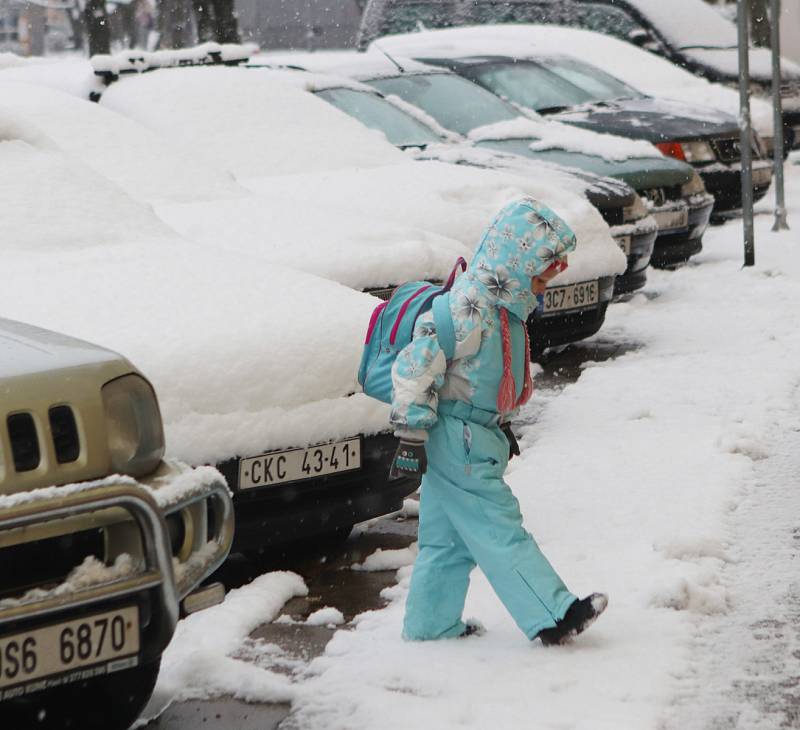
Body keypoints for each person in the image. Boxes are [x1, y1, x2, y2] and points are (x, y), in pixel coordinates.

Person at [388, 197, 607, 645]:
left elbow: (476, 378)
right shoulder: (468, 309)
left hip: (473, 433)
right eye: (541, 276)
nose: (545, 286)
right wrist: (410, 436)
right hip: (455, 437)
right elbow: (415, 367)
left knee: (446, 543)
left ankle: (430, 627)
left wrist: (500, 424)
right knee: (498, 526)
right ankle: (553, 614)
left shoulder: (503, 308)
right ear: (516, 264)